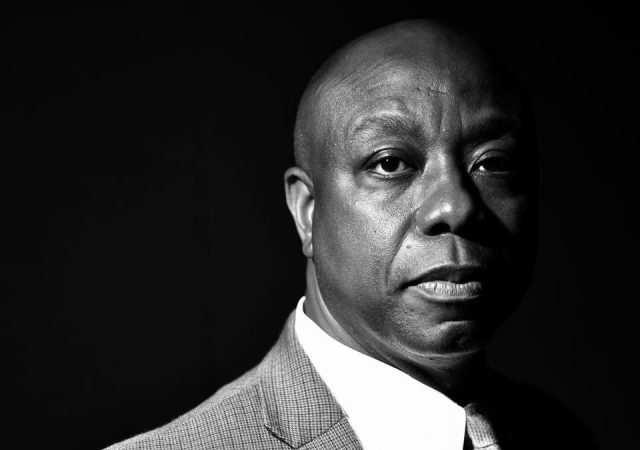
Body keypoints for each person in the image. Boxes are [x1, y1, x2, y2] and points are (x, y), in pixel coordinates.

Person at [107, 19, 597, 449]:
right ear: (307, 212)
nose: (456, 206)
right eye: (391, 163)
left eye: (492, 163)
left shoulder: (557, 433)